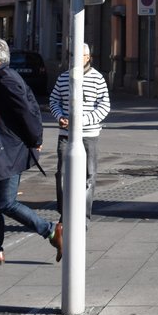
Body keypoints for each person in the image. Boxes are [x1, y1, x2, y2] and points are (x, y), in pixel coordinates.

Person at [0, 38, 63, 267]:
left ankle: (51, 231)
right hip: (4, 150)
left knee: (6, 202)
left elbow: (28, 111)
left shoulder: (5, 80)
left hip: (11, 150)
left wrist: (35, 140)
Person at [49, 42, 111, 224]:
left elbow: (105, 105)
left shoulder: (98, 78)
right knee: (62, 174)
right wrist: (60, 117)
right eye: (73, 55)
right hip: (65, 133)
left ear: (88, 58)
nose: (76, 59)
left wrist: (81, 120)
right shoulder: (63, 78)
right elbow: (54, 100)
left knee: (89, 174)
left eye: (80, 56)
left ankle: (83, 217)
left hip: (89, 134)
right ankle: (64, 214)